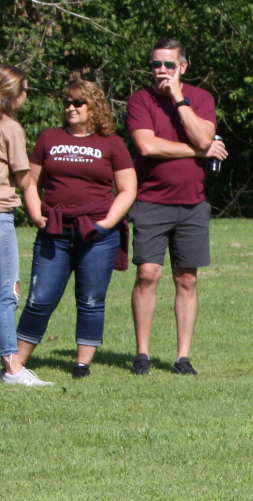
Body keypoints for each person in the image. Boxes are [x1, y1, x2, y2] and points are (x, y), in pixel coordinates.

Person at [14, 79, 136, 378]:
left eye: (77, 103)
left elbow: (128, 188)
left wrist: (107, 222)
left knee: (92, 299)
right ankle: (16, 363)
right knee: (39, 298)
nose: (70, 107)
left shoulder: (112, 143)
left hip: (96, 235)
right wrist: (36, 213)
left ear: (93, 106)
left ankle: (82, 364)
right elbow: (30, 182)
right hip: (54, 230)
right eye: (67, 102)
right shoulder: (49, 138)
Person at [127, 37, 226, 376]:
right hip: (151, 201)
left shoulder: (200, 98)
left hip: (193, 204)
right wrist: (200, 152)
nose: (161, 71)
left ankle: (183, 357)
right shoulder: (140, 100)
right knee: (147, 274)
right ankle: (143, 354)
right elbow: (147, 146)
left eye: (169, 65)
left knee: (186, 280)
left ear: (183, 66)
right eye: (156, 64)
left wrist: (178, 98)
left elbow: (203, 136)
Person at [1, 66, 51, 386]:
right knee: (7, 291)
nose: (27, 95)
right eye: (26, 89)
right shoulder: (11, 128)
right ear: (14, 95)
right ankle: (12, 367)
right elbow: (23, 178)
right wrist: (40, 213)